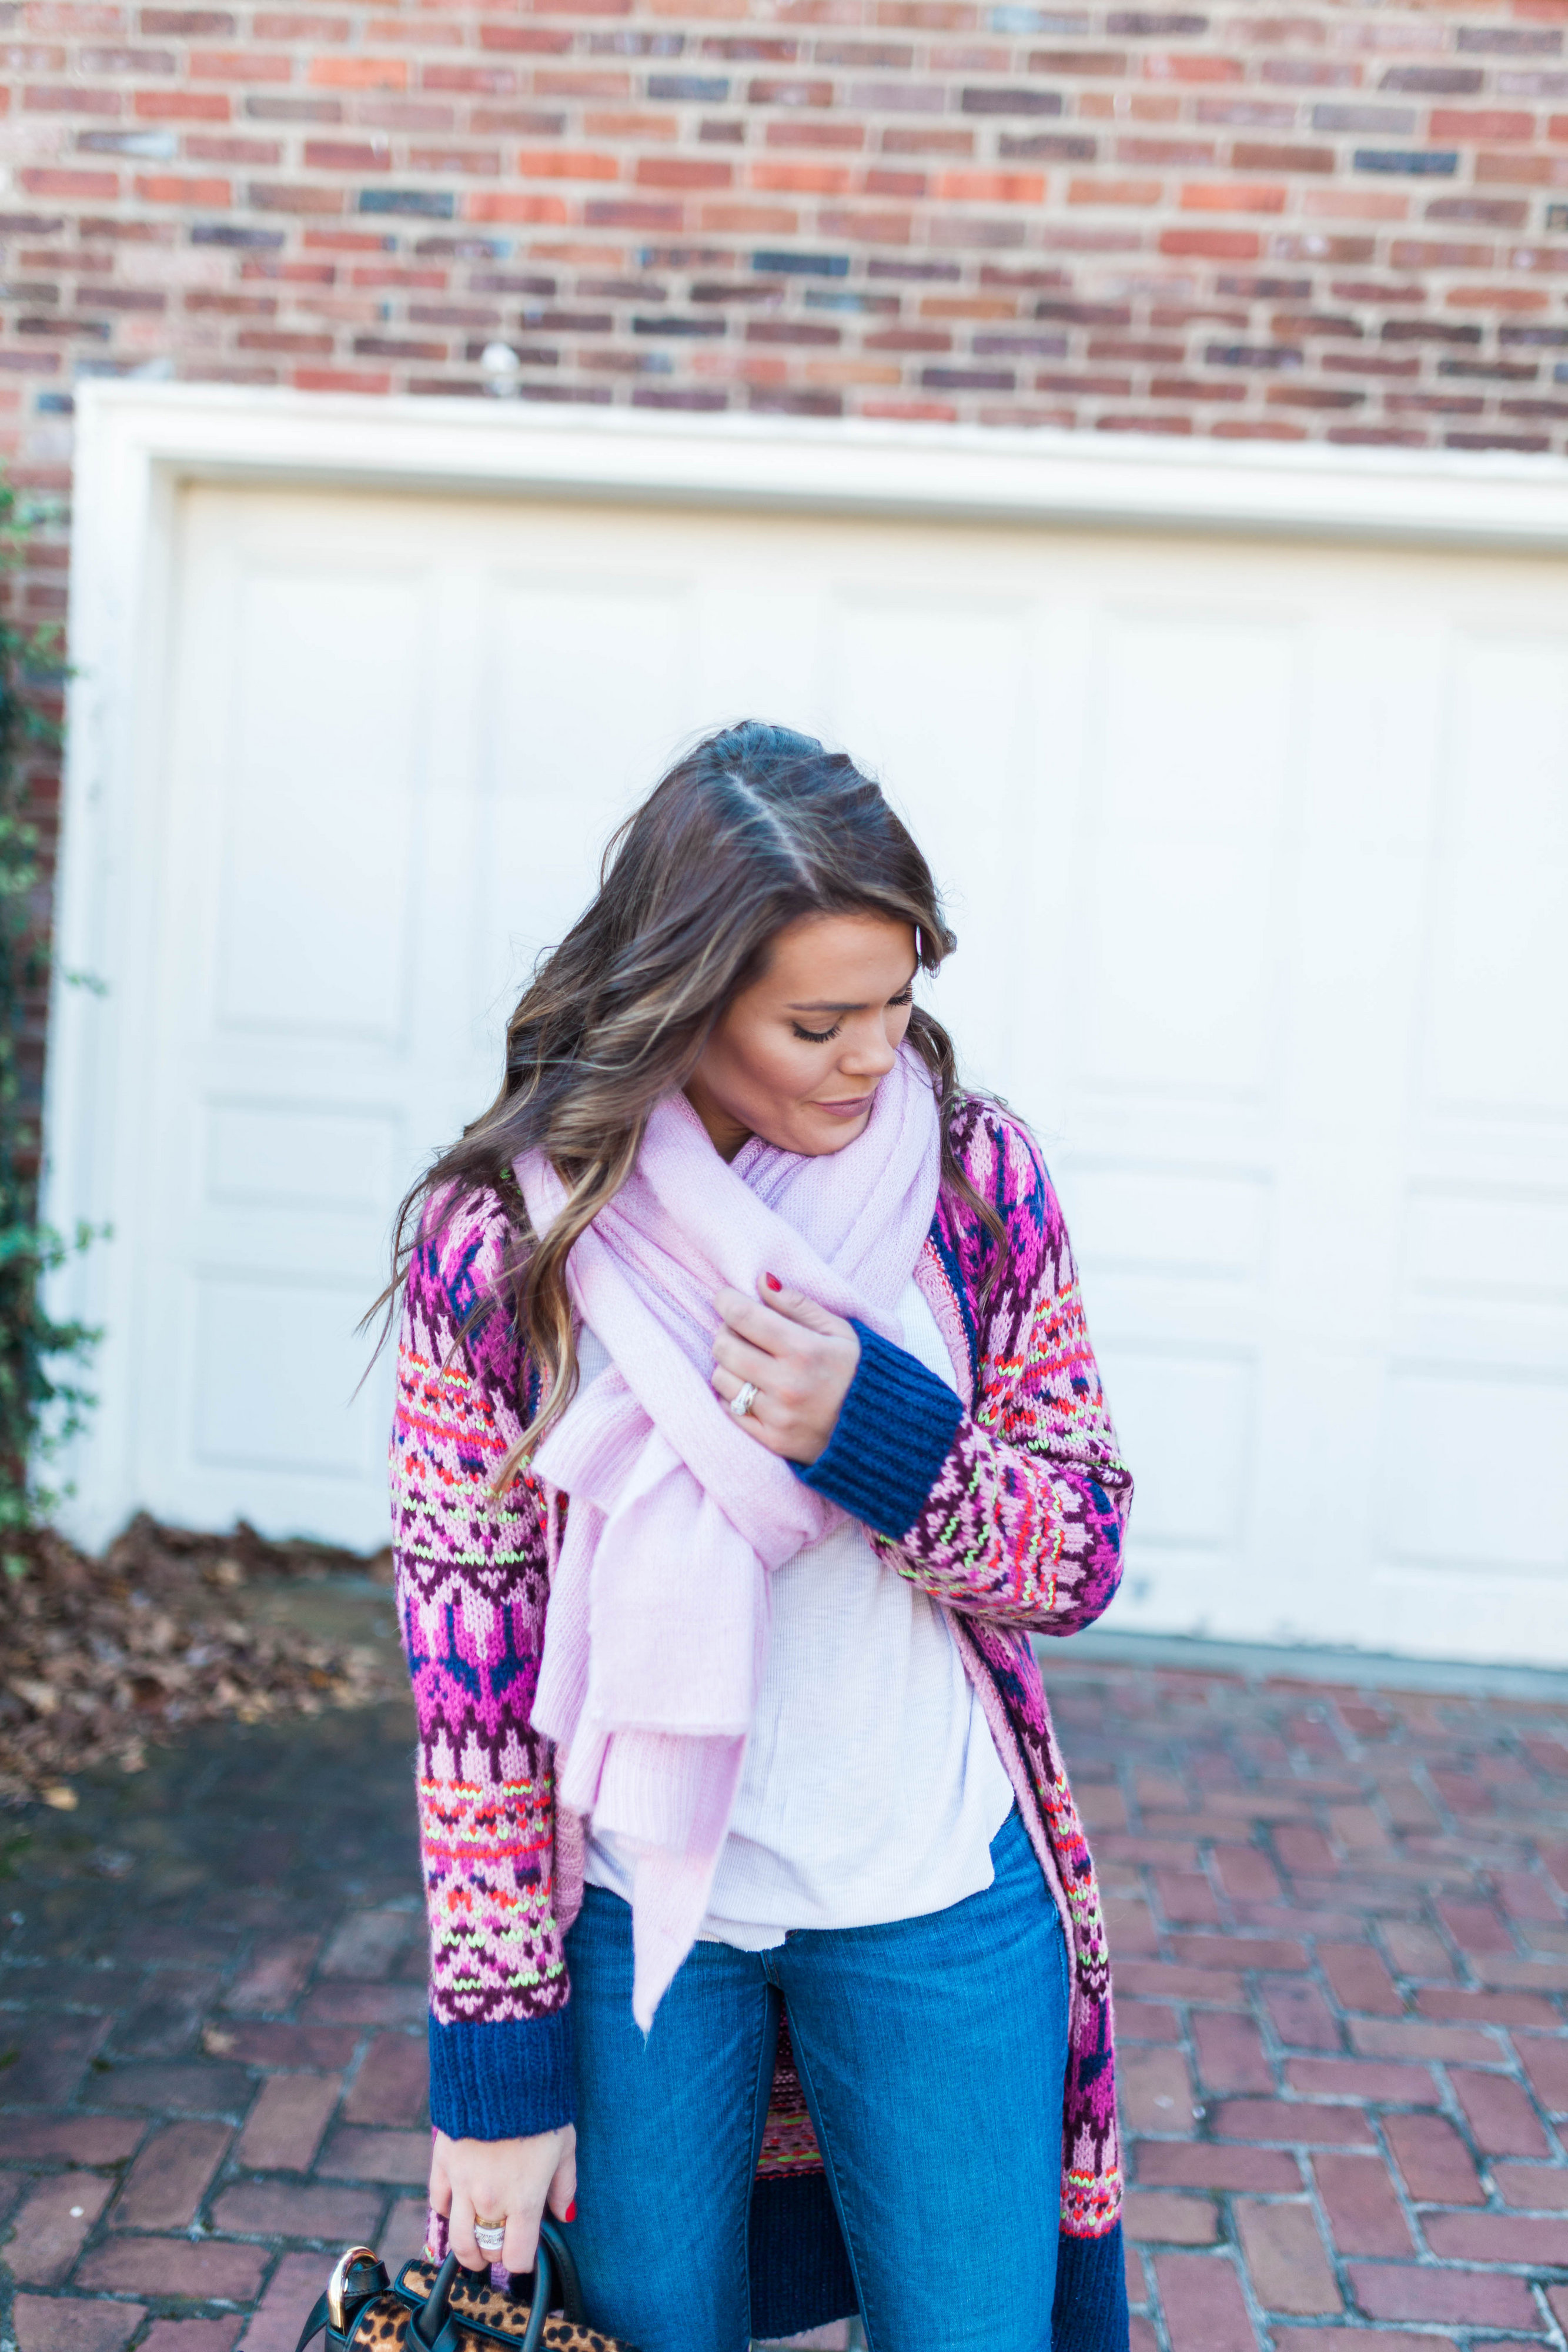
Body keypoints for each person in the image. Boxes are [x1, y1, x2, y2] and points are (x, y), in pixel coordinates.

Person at [385, 722, 1134, 2352]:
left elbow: (1078, 1550)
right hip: (640, 1924)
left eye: (897, 1002)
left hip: (937, 1895)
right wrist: (493, 2075)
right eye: (817, 1021)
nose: (875, 1057)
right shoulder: (512, 1241)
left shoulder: (973, 1182)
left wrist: (878, 1434)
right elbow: (471, 1684)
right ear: (682, 996)